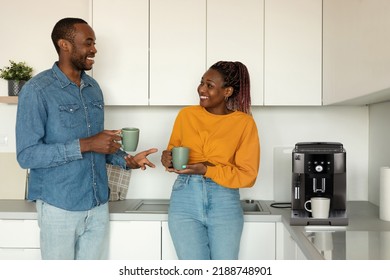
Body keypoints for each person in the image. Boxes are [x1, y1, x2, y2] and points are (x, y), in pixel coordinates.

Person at [15, 17, 158, 260]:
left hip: (97, 204)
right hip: (59, 207)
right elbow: (27, 155)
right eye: (88, 43)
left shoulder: (93, 87)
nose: (94, 49)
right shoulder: (37, 90)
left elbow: (100, 144)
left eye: (94, 43)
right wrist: (86, 144)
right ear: (65, 45)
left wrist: (127, 160)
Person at [161, 61, 260, 260]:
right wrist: (167, 159)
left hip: (224, 201)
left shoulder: (244, 123)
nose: (201, 89)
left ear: (228, 91)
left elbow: (248, 175)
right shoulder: (186, 115)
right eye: (201, 83)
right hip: (185, 199)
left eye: (209, 85)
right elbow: (172, 153)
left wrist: (207, 170)